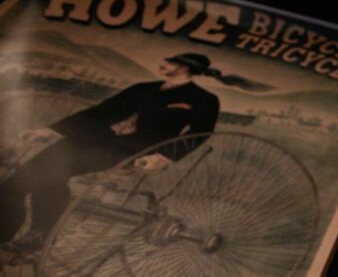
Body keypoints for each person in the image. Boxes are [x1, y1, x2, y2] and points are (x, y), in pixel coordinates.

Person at [0, 52, 262, 250]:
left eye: (170, 62)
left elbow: (200, 133)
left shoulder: (203, 99)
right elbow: (100, 113)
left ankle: (38, 237)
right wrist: (52, 131)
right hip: (93, 138)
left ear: (184, 67)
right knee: (15, 184)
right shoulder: (142, 88)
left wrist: (163, 157)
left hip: (133, 150)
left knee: (53, 174)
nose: (165, 64)